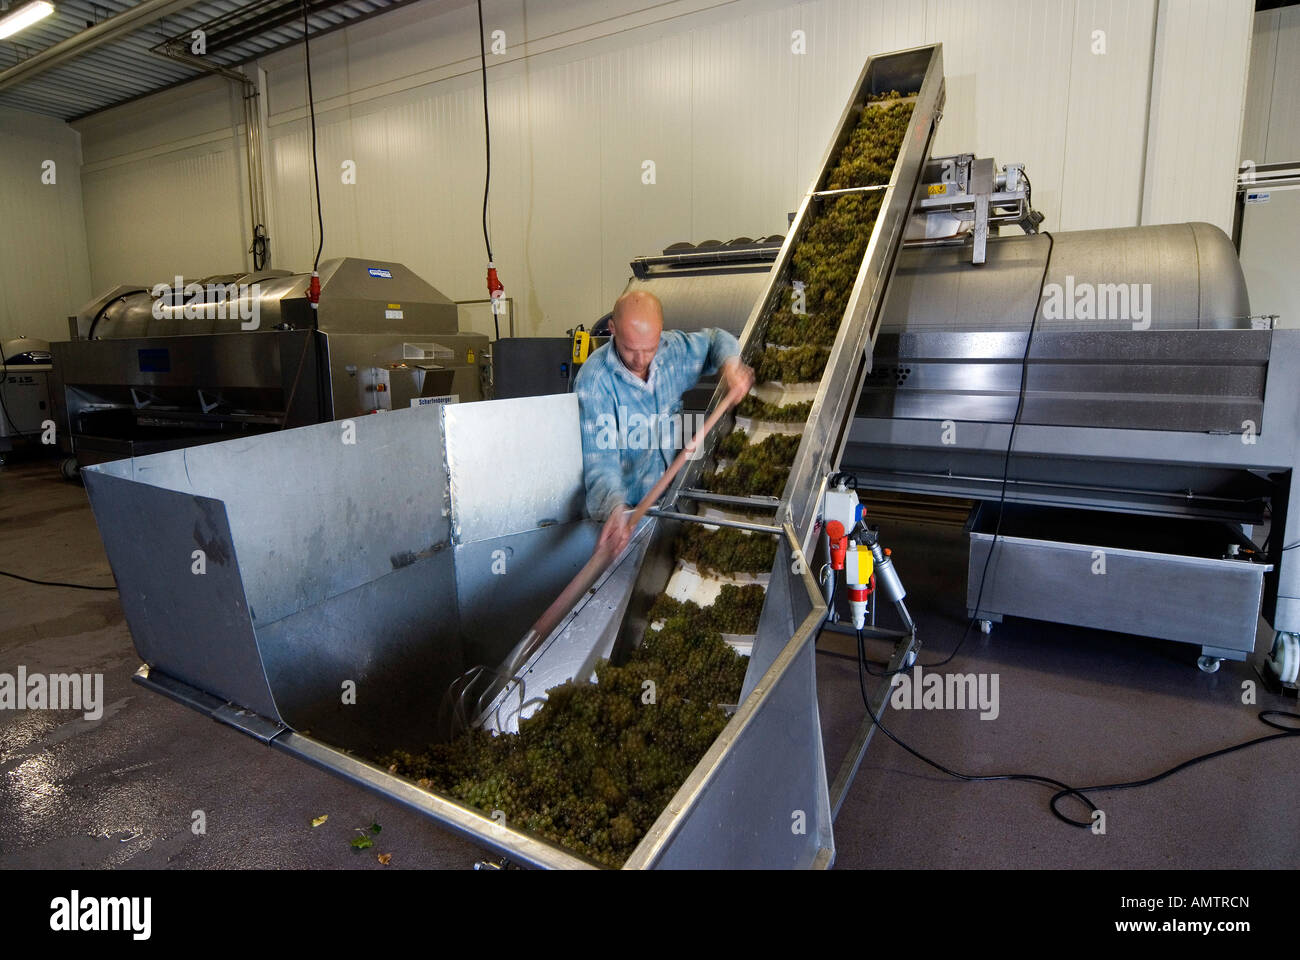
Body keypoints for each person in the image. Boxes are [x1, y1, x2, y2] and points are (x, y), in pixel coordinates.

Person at [574, 290, 754, 556]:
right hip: (627, 519)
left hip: (673, 505)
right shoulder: (594, 381)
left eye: (650, 348)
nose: (641, 359)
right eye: (629, 349)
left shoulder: (673, 351)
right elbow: (601, 463)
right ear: (612, 329)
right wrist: (615, 508)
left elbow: (717, 339)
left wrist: (730, 368)